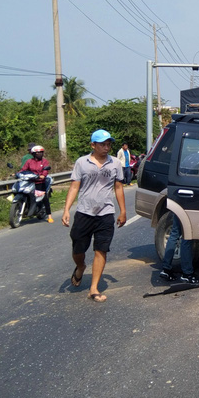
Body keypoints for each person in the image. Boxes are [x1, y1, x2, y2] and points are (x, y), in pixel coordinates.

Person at [62, 129, 127, 303]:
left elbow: (118, 187)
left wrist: (123, 211)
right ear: (93, 145)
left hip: (105, 213)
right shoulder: (82, 163)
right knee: (78, 248)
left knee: (101, 249)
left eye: (108, 144)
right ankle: (81, 266)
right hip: (84, 212)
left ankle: (93, 288)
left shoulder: (115, 164)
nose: (106, 148)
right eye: (102, 144)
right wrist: (67, 209)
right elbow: (74, 187)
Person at [159, 214, 199, 284]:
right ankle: (187, 274)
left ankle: (166, 269)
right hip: (188, 206)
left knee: (174, 233)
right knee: (187, 237)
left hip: (178, 206)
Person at [20, 145, 53, 223]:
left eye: (41, 152)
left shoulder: (44, 161)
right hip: (31, 181)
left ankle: (49, 216)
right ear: (34, 154)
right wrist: (17, 174)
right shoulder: (29, 161)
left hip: (40, 182)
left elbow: (46, 170)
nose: (40, 154)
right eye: (38, 153)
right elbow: (24, 169)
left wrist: (43, 175)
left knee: (44, 198)